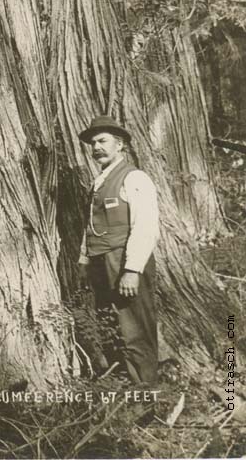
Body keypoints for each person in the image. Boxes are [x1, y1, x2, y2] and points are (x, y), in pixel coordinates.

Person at [78, 115, 159, 385]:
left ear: (120, 144)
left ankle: (145, 396)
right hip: (101, 262)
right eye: (93, 143)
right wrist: (84, 260)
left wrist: (132, 269)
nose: (96, 147)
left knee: (134, 329)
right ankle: (121, 387)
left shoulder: (134, 177)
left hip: (124, 261)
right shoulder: (99, 183)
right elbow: (90, 226)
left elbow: (145, 226)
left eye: (103, 141)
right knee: (109, 326)